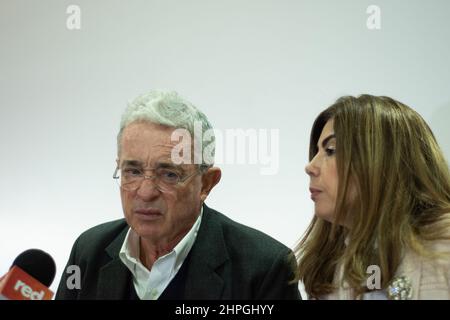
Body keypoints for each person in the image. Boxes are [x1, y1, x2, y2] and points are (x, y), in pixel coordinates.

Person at [55, 90, 300, 300]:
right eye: (133, 171)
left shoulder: (265, 269)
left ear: (206, 184)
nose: (146, 191)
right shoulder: (88, 252)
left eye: (169, 175)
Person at [296, 94, 450, 300]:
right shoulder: (329, 269)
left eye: (330, 150)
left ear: (381, 160)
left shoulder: (443, 244)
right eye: (317, 152)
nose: (310, 167)